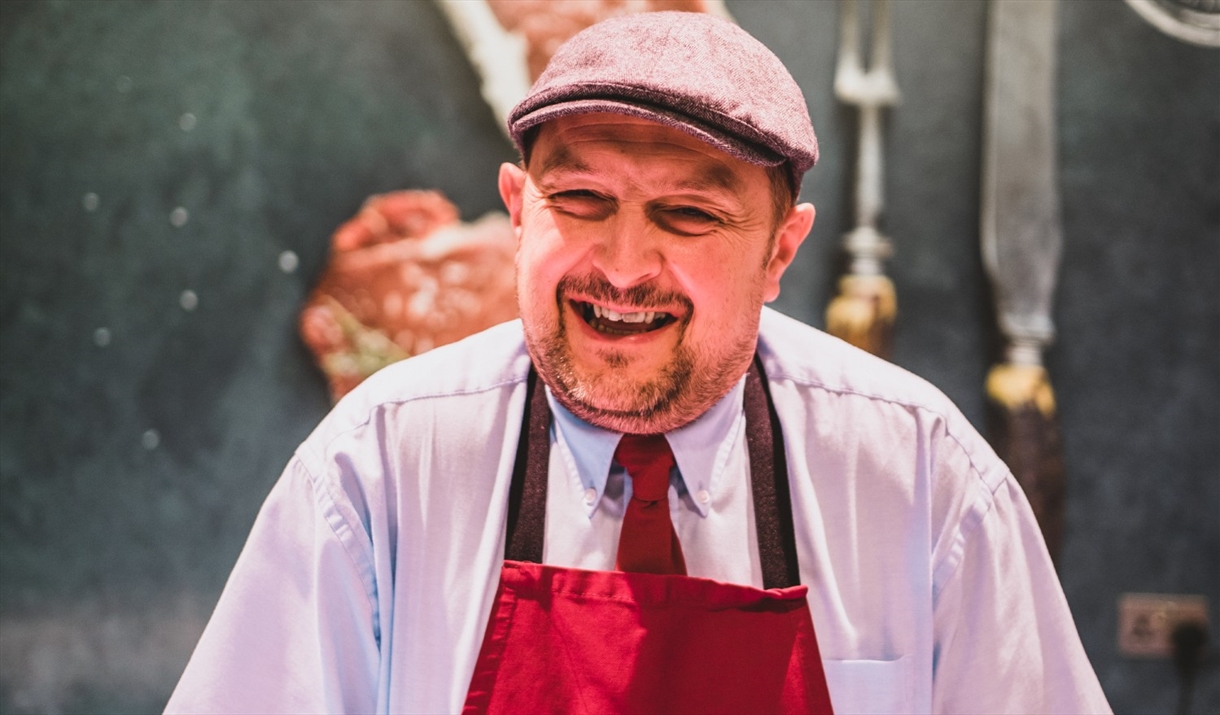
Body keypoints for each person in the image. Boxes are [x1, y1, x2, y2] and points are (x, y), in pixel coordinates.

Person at [167, 11, 1111, 714]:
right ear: (519, 206)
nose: (622, 267)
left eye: (688, 214)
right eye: (579, 198)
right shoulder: (379, 464)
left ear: (781, 251)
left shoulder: (919, 476)